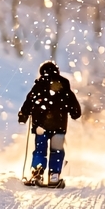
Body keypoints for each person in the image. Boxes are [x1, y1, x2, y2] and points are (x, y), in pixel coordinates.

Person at [18, 60, 81, 188]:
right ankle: (54, 176)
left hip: (41, 126)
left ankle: (37, 172)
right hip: (59, 127)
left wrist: (23, 116)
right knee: (57, 151)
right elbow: (74, 107)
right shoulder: (64, 85)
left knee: (40, 151)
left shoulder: (38, 85)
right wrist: (74, 113)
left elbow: (29, 102)